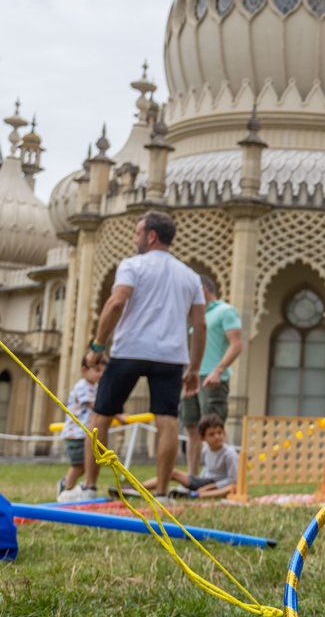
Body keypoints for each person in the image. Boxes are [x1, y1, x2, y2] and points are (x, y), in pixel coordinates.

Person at [60, 210, 206, 505]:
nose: (134, 239)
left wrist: (98, 347)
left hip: (129, 351)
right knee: (167, 421)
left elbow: (116, 303)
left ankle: (88, 486)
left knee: (100, 416)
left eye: (137, 233)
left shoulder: (132, 266)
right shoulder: (190, 276)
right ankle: (162, 494)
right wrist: (194, 369)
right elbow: (200, 325)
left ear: (151, 236)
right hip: (170, 356)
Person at [180, 274, 241, 476]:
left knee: (216, 430)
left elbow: (237, 344)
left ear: (202, 290)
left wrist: (218, 370)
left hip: (212, 380)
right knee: (192, 429)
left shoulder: (226, 311)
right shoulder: (197, 315)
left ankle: (231, 477)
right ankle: (193, 476)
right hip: (192, 379)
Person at [127, 415, 238, 499]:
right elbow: (205, 471)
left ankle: (195, 495)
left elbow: (232, 480)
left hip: (219, 486)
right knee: (172, 472)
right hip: (204, 482)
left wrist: (209, 487)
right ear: (202, 438)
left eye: (219, 433)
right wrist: (200, 484)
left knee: (233, 489)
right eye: (212, 434)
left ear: (224, 433)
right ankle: (136, 488)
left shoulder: (229, 453)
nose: (217, 437)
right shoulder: (205, 450)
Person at [58, 355, 119, 497]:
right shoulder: (82, 387)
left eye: (103, 371)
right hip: (76, 434)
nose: (101, 374)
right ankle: (66, 490)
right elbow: (97, 407)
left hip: (85, 434)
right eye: (97, 370)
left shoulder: (95, 387)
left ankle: (67, 486)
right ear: (84, 370)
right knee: (79, 466)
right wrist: (118, 415)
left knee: (86, 466)